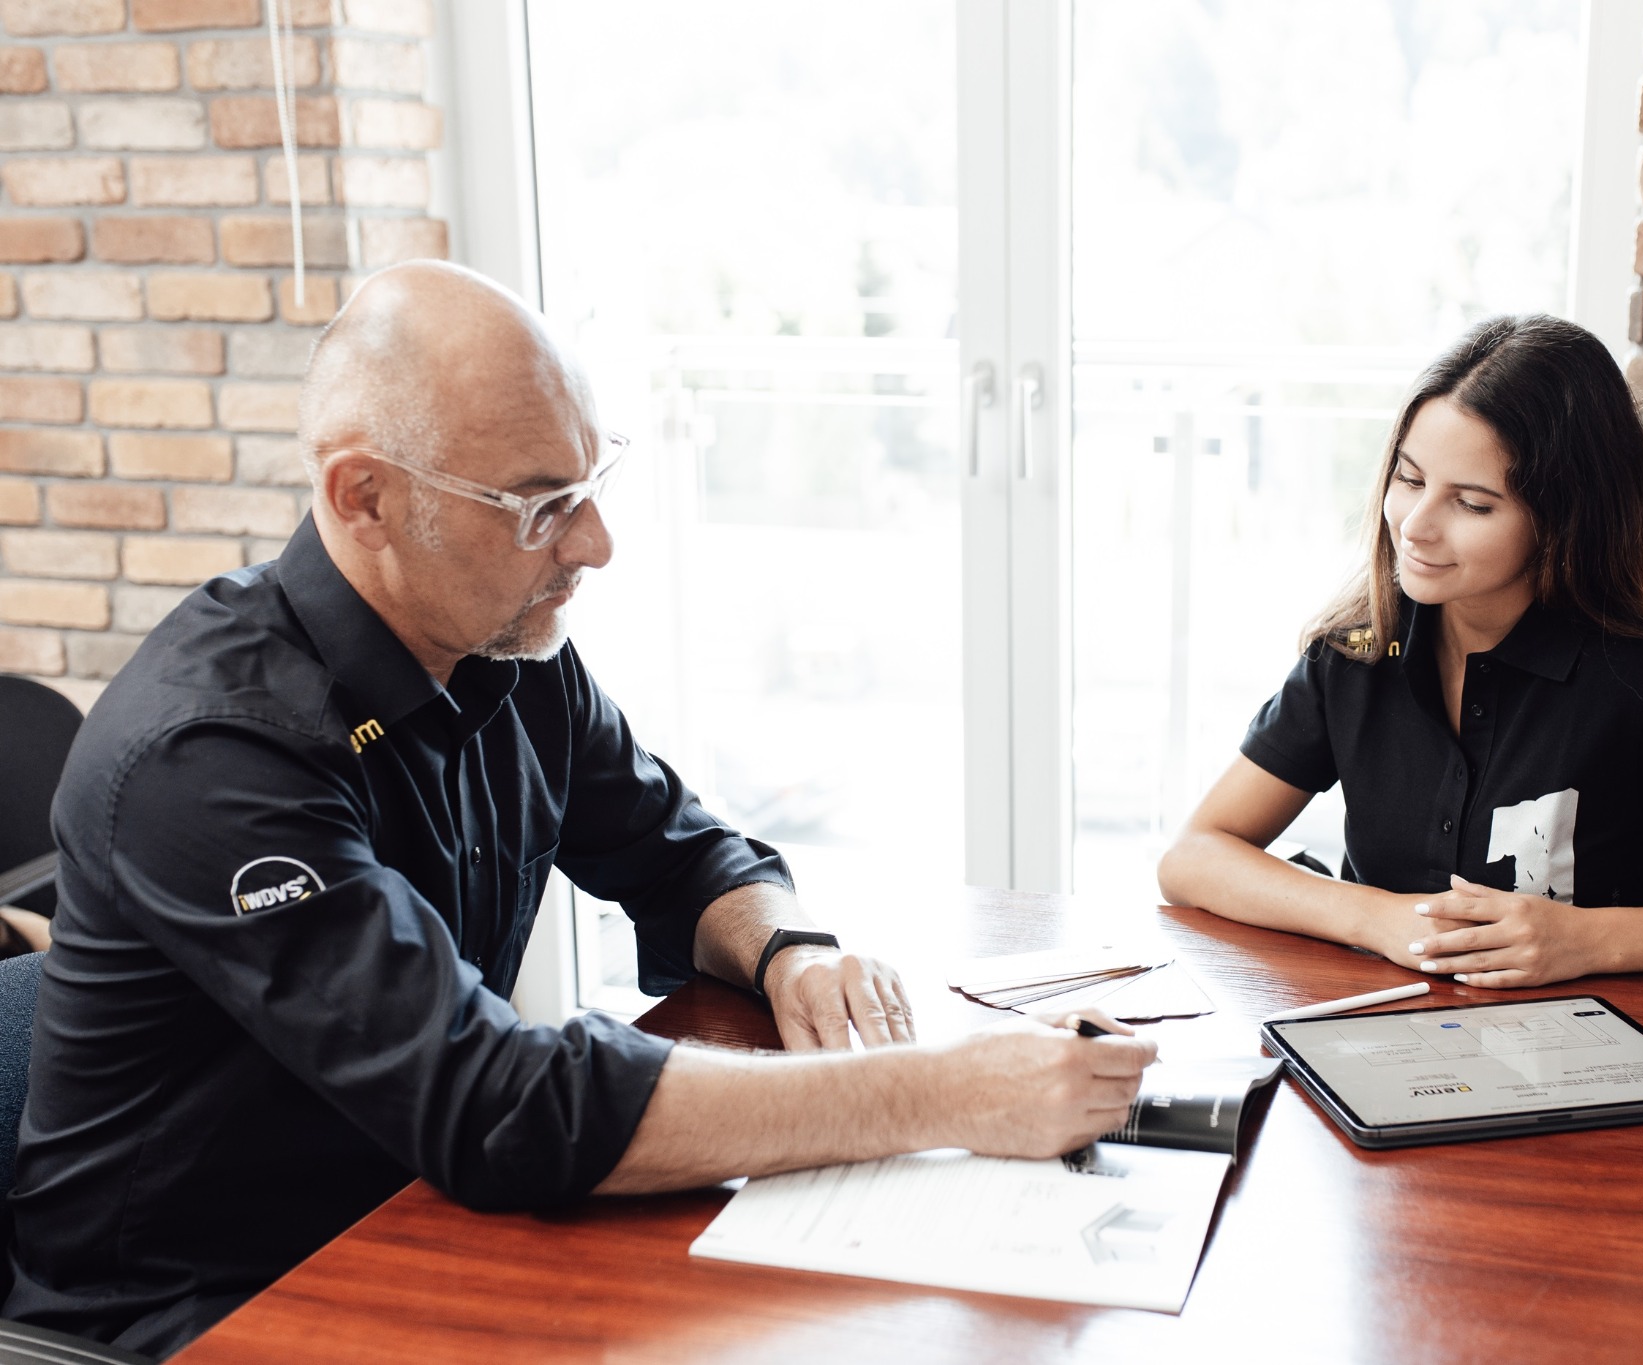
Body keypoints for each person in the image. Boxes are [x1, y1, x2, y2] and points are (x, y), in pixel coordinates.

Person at [5, 262, 1155, 1358]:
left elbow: (683, 854)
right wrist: (945, 1093)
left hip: (420, 1220)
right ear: (365, 498)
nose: (594, 546)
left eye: (590, 485)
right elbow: (489, 1098)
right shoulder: (210, 753)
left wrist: (788, 954)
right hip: (203, 1309)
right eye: (541, 504)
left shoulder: (504, 643)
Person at [1158, 315, 1643, 988]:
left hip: (1588, 1056)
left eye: (1472, 504)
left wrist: (1589, 941)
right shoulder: (1354, 653)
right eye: (1409, 479)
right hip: (1382, 1037)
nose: (1415, 526)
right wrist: (1372, 916)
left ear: (1566, 520)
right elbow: (1193, 856)